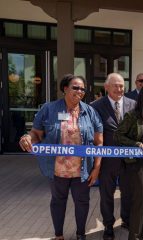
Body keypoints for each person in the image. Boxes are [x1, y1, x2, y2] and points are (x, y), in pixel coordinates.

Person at [19, 74, 103, 240]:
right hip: (58, 170)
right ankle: (58, 235)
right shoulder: (49, 109)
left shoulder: (90, 112)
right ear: (65, 88)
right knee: (58, 202)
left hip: (82, 170)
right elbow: (36, 133)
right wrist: (27, 138)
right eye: (75, 87)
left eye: (82, 89)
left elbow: (99, 142)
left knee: (82, 203)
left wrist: (97, 168)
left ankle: (80, 234)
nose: (80, 91)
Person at [90, 73, 136, 239]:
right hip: (107, 161)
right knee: (107, 195)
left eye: (122, 86)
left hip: (129, 160)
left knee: (128, 193)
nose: (119, 89)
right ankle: (108, 225)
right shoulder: (95, 106)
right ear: (106, 87)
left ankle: (126, 219)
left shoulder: (133, 104)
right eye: (115, 85)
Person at [114, 85, 143, 240]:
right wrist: (136, 144)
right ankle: (133, 236)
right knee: (139, 200)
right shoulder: (132, 116)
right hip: (135, 164)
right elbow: (118, 135)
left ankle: (142, 233)